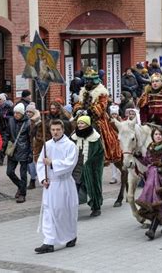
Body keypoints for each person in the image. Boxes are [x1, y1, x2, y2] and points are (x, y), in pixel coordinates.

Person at [35, 119, 79, 254]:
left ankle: (71, 235)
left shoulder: (70, 145)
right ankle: (49, 241)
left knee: (63, 212)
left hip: (64, 183)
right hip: (51, 184)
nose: (55, 132)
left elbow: (70, 163)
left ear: (63, 130)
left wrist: (53, 163)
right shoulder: (47, 145)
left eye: (58, 129)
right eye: (53, 130)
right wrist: (43, 179)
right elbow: (40, 163)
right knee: (49, 212)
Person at [134, 127, 162, 240]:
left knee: (159, 204)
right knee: (158, 205)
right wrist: (139, 157)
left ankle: (152, 230)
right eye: (155, 134)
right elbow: (148, 162)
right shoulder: (151, 148)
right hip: (152, 181)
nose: (158, 136)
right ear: (153, 137)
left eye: (160, 134)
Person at [74, 67, 122, 165]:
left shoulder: (102, 92)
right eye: (86, 80)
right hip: (83, 117)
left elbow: (102, 106)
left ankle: (103, 155)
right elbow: (79, 102)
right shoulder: (83, 91)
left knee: (100, 132)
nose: (87, 82)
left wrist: (89, 111)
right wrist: (78, 109)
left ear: (94, 81)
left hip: (97, 118)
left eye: (89, 80)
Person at [71, 116, 105, 217]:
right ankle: (72, 207)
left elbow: (100, 153)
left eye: (82, 123)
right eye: (79, 123)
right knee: (74, 187)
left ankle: (96, 207)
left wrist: (91, 163)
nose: (80, 125)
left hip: (91, 167)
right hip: (76, 167)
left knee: (93, 186)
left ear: (88, 124)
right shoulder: (73, 137)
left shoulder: (95, 137)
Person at [5, 103, 31, 203]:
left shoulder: (28, 123)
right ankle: (21, 186)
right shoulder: (11, 120)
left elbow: (30, 139)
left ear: (22, 113)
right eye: (14, 112)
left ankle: (22, 194)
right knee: (9, 172)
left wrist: (30, 153)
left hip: (24, 150)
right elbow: (7, 133)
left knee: (23, 174)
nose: (15, 115)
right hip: (12, 150)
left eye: (18, 113)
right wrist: (4, 145)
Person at [0, 93, 13, 165]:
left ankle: (10, 159)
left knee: (10, 143)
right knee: (2, 143)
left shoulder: (9, 106)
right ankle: (1, 159)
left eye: (0, 99)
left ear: (4, 99)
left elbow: (13, 116)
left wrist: (6, 117)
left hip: (9, 127)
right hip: (2, 128)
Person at [26, 103, 41, 189]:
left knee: (32, 163)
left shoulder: (37, 122)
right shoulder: (26, 121)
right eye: (27, 112)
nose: (28, 113)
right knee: (28, 165)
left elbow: (38, 135)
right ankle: (33, 177)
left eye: (30, 112)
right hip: (26, 144)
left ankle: (33, 180)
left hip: (35, 145)